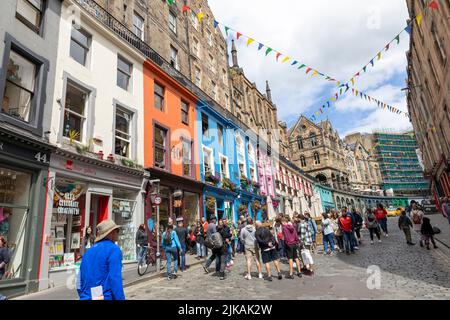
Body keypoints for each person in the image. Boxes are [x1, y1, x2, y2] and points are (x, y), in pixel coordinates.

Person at [77, 220, 125, 300]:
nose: (118, 233)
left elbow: (79, 281)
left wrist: (85, 296)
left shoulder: (88, 251)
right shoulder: (113, 249)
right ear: (111, 233)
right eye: (117, 231)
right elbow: (115, 279)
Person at [202, 216, 228, 280]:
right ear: (213, 220)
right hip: (216, 243)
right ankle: (217, 270)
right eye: (215, 219)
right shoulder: (213, 226)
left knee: (214, 255)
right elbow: (217, 234)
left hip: (211, 243)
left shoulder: (208, 225)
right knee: (217, 256)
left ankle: (208, 266)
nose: (216, 221)